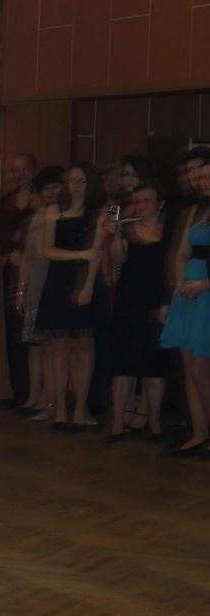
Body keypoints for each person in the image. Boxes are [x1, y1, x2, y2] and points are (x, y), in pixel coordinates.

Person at [35, 162, 109, 431]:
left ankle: (79, 409)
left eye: (81, 181)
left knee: (85, 345)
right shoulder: (53, 210)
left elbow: (97, 252)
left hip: (85, 279)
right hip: (59, 280)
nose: (75, 186)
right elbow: (47, 250)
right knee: (59, 345)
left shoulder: (101, 212)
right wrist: (80, 254)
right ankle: (60, 409)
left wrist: (87, 287)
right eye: (71, 180)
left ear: (91, 184)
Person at [106, 182, 171, 440]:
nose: (142, 205)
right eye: (138, 200)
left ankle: (154, 423)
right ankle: (117, 422)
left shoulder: (169, 230)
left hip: (157, 302)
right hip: (129, 301)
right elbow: (119, 259)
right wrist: (117, 236)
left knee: (155, 364)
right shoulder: (127, 227)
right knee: (123, 363)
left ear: (160, 203)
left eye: (147, 200)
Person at [161, 162, 210, 455]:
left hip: (205, 290)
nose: (201, 182)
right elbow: (181, 252)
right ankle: (199, 431)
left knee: (201, 367)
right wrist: (180, 285)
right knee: (190, 366)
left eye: (206, 177)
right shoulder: (195, 211)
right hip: (188, 292)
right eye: (199, 177)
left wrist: (204, 284)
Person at [14, 165, 64, 421]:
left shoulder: (67, 212)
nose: (51, 192)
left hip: (55, 281)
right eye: (46, 188)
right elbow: (26, 255)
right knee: (36, 344)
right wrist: (21, 290)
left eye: (56, 186)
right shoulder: (37, 215)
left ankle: (51, 400)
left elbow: (111, 214)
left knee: (53, 345)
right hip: (35, 282)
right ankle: (36, 396)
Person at [0, 154, 39, 408]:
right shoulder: (8, 200)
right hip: (15, 267)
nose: (20, 174)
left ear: (34, 170)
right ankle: (21, 393)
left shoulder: (45, 196)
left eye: (25, 169)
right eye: (15, 170)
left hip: (42, 269)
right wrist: (17, 209)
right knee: (15, 330)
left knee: (37, 334)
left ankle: (40, 396)